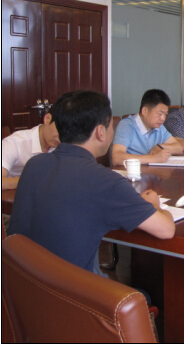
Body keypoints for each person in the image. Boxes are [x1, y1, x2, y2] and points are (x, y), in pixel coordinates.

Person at [7, 90, 175, 276]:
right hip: (72, 289)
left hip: (19, 282)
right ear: (100, 132)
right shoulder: (105, 181)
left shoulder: (34, 165)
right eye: (110, 126)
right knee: (141, 293)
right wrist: (153, 205)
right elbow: (166, 229)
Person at [112, 89, 183, 166]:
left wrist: (161, 147)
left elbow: (179, 148)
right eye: (160, 114)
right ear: (144, 111)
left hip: (152, 171)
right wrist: (153, 158)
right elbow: (116, 158)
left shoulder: (159, 127)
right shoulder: (127, 126)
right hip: (132, 172)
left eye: (165, 114)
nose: (163, 119)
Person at [2, 108, 61, 190]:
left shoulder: (67, 143)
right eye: (60, 130)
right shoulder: (15, 143)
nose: (61, 138)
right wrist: (33, 180)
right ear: (47, 119)